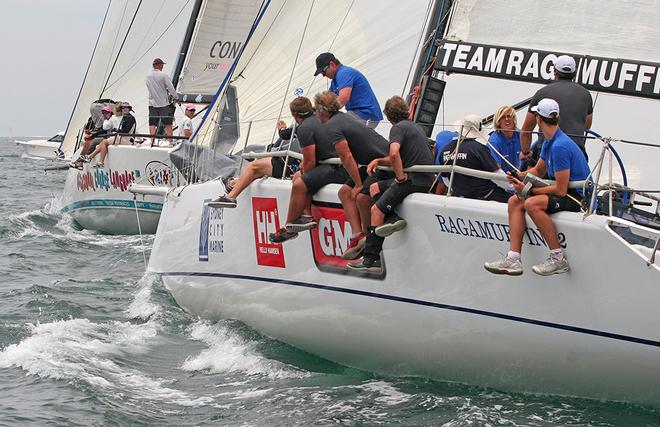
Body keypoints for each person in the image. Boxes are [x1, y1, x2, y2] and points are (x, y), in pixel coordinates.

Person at [484, 98, 591, 276]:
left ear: (539, 120)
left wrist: (529, 190)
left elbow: (561, 189)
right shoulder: (550, 140)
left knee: (531, 204)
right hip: (565, 191)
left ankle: (558, 258)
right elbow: (538, 170)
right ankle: (513, 258)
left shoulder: (559, 146)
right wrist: (517, 176)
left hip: (578, 197)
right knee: (514, 201)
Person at [347, 96, 436, 272]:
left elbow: (395, 154)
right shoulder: (415, 127)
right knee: (373, 187)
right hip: (425, 178)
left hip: (414, 179)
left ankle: (371, 259)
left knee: (375, 210)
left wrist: (400, 178)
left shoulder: (397, 129)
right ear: (406, 111)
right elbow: (402, 157)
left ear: (388, 116)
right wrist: (379, 160)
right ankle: (393, 217)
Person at [314, 91, 391, 260]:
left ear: (322, 111)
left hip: (383, 164)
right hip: (371, 162)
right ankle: (358, 236)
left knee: (360, 196)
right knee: (343, 192)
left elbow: (346, 156)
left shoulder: (332, 125)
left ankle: (368, 237)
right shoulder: (343, 118)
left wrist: (358, 184)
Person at [268, 97, 349, 243]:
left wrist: (305, 171)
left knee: (299, 183)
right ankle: (305, 214)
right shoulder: (319, 118)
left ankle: (289, 227)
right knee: (297, 176)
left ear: (295, 115)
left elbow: (310, 161)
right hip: (337, 163)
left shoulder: (304, 128)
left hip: (337, 167)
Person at [207, 121, 300, 209]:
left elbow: (285, 134)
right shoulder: (309, 124)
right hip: (296, 163)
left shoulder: (305, 126)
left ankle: (230, 196)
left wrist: (282, 129)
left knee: (254, 166)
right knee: (255, 166)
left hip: (294, 166)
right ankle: (237, 183)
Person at [520, 55, 593, 160]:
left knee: (530, 169)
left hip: (547, 153)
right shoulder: (586, 94)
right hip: (577, 151)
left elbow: (526, 131)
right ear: (574, 73)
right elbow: (586, 125)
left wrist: (526, 152)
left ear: (554, 71)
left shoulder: (542, 93)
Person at [438, 115, 512, 202]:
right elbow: (496, 175)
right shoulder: (479, 149)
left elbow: (446, 180)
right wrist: (514, 187)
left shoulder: (444, 151)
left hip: (459, 197)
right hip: (486, 196)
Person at [314, 52, 383, 128]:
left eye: (323, 72)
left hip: (365, 113)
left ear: (332, 64)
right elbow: (327, 101)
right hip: (358, 113)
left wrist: (325, 114)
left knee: (333, 127)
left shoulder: (344, 73)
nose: (324, 76)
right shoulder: (335, 80)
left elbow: (343, 99)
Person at [88, 101, 137, 167]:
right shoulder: (125, 117)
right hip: (122, 138)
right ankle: (91, 157)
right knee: (103, 142)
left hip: (127, 139)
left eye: (126, 108)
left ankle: (98, 161)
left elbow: (126, 131)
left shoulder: (130, 118)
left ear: (129, 109)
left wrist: (116, 130)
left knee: (104, 142)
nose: (124, 109)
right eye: (123, 108)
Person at [146, 57, 178, 138]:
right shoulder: (164, 76)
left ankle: (152, 140)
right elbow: (171, 88)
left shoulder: (148, 76)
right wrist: (176, 97)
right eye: (162, 65)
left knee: (152, 123)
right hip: (163, 104)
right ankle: (170, 140)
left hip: (152, 104)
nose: (163, 66)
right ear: (159, 65)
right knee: (168, 124)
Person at [488, 105, 521, 173]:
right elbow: (497, 170)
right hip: (504, 179)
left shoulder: (521, 135)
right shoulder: (494, 141)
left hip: (521, 175)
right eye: (503, 117)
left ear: (514, 119)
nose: (507, 119)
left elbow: (528, 159)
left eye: (509, 116)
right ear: (498, 122)